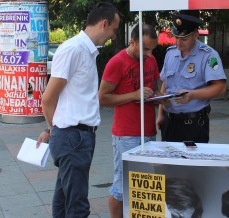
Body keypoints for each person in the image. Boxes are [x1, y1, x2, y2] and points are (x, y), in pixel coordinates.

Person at [35, 2, 120, 217]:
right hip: (73, 137)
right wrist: (53, 129)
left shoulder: (87, 51)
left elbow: (65, 99)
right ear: (104, 24)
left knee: (64, 198)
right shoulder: (73, 49)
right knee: (77, 205)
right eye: (114, 29)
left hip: (77, 136)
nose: (113, 35)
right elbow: (48, 98)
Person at [98, 23, 160, 218]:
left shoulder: (151, 60)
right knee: (122, 187)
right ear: (132, 42)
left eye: (152, 49)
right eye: (145, 49)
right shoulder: (117, 62)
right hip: (126, 135)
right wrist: (134, 94)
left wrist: (166, 98)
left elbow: (155, 90)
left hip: (149, 132)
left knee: (146, 186)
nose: (149, 54)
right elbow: (102, 97)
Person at [156, 13, 227, 143]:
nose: (178, 43)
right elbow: (166, 83)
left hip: (193, 124)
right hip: (169, 122)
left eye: (183, 39)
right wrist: (160, 114)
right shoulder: (170, 54)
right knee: (169, 163)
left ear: (195, 35)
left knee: (192, 163)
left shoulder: (210, 56)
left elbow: (220, 87)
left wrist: (192, 95)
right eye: (176, 37)